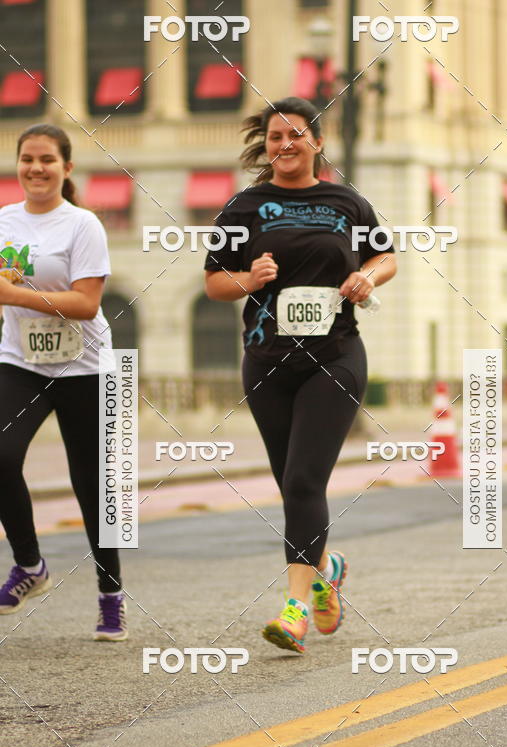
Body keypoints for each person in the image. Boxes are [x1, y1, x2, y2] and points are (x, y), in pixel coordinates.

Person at [204, 97, 396, 653]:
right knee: (292, 484)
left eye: (295, 134)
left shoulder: (346, 202)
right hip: (267, 362)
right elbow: (214, 282)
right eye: (274, 136)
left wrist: (367, 276)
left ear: (317, 141)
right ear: (265, 145)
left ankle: (294, 611)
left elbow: (387, 257)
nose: (284, 144)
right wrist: (249, 278)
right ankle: (326, 568)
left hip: (335, 357)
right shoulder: (243, 207)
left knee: (304, 482)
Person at [0, 123, 127, 640]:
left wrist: (16, 296)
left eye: (47, 159)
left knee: (93, 486)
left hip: (86, 366)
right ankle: (30, 566)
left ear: (66, 168)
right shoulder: (4, 221)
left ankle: (111, 597)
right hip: (21, 360)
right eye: (27, 159)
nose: (36, 168)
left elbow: (86, 303)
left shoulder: (83, 225)